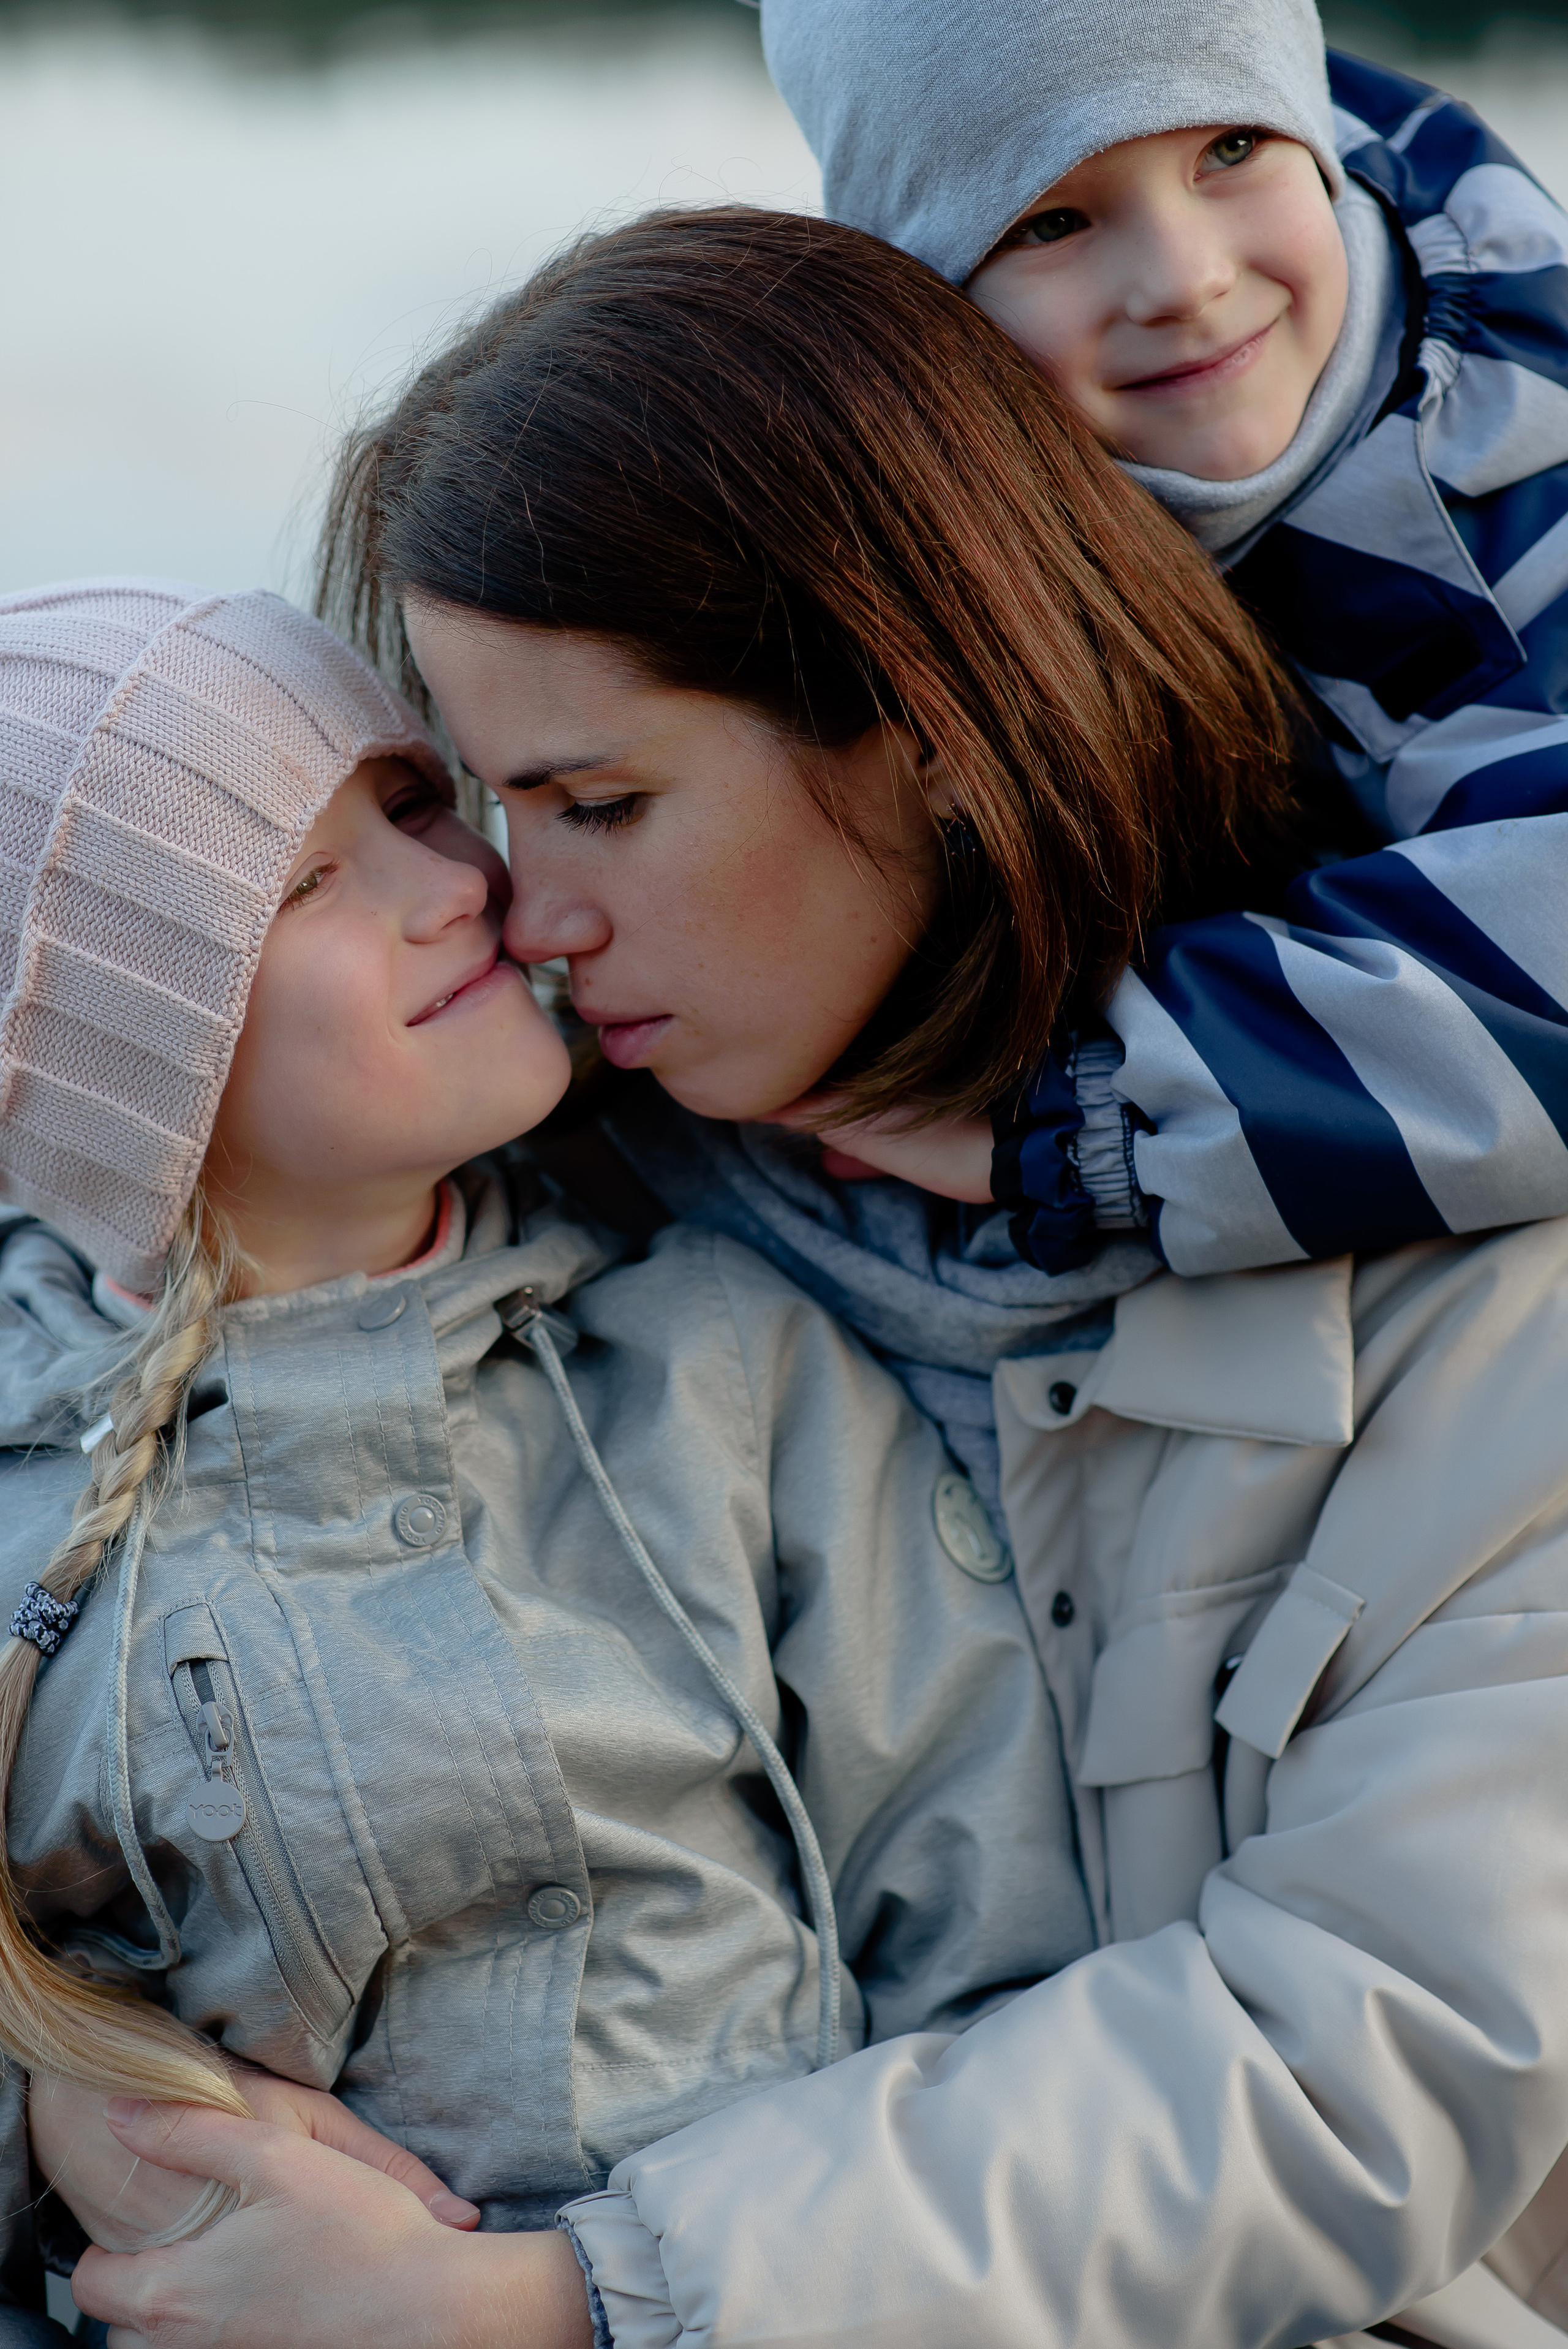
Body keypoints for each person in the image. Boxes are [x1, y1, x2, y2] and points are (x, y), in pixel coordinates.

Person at [74, 211, 1568, 2349]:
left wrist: (560, 2306)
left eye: (597, 802)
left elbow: (1363, 2055)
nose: (526, 910)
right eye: (487, 802)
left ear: (929, 725)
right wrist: (97, 2089)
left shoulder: (1491, 1293)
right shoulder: (542, 1182)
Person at [0, 579, 1086, 2344]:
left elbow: (997, 1952)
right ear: (114, 1065)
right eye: (302, 885)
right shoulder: (32, 1498)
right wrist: (86, 2129)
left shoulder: (719, 1364)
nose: (458, 888)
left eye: (417, 805)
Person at [752, 0, 1568, 1284]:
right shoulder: (935, 489)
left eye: (1230, 150)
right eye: (1050, 222)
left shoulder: (1512, 486)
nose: (1183, 279)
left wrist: (1080, 1116)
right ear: (926, 295)